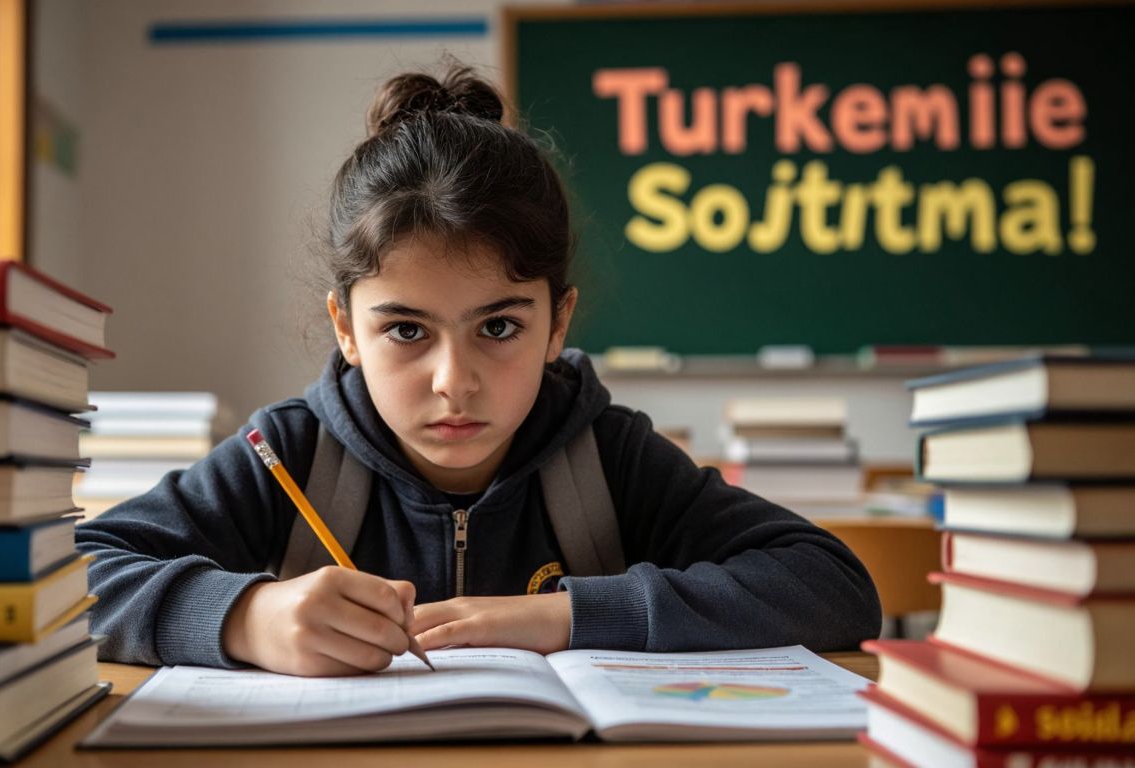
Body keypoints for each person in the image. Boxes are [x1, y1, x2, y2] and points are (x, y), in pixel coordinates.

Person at [76, 64, 881, 677]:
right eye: (405, 330)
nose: (453, 381)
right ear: (345, 328)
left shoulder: (607, 457)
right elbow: (75, 574)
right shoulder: (283, 454)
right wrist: (247, 617)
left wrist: (567, 617)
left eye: (498, 326)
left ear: (557, 322)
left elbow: (833, 585)